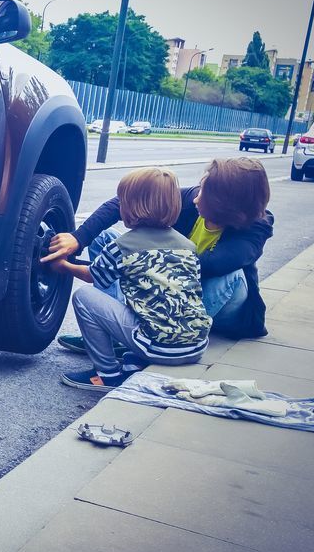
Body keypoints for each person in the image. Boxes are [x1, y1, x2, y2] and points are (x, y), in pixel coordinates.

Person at [46, 157, 273, 350]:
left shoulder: (255, 228)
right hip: (170, 292)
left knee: (232, 276)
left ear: (223, 204)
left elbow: (209, 266)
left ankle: (178, 337)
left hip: (222, 310)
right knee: (105, 240)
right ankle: (115, 334)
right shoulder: (193, 202)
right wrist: (79, 237)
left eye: (204, 192)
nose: (196, 195)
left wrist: (132, 263)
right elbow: (128, 200)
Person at [45, 167, 212, 391]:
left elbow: (93, 277)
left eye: (122, 202)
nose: (119, 207)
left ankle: (108, 373)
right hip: (196, 346)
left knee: (84, 297)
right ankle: (136, 360)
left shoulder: (122, 247)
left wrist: (64, 266)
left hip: (159, 348)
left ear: (133, 208)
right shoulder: (188, 246)